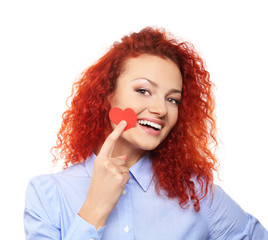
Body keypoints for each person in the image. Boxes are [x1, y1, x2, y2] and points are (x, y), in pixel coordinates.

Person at [24, 27, 268, 239]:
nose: (160, 109)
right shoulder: (49, 194)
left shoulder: (198, 194)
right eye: (143, 91)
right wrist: (94, 209)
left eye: (172, 99)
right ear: (107, 94)